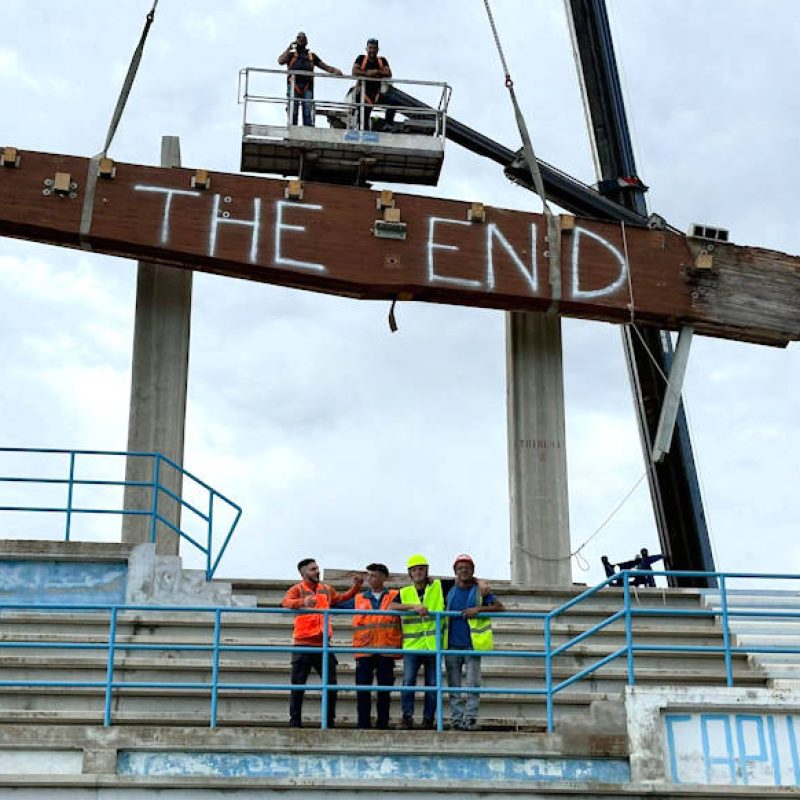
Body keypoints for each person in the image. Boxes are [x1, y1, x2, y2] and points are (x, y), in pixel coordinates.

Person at [390, 554, 490, 729]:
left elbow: (463, 577)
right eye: (414, 570)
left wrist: (480, 581)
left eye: (421, 569)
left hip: (434, 646)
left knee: (433, 685)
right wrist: (413, 607)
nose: (418, 572)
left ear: (427, 571)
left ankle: (428, 720)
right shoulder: (404, 592)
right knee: (408, 683)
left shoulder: (439, 585)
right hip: (413, 647)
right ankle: (407, 717)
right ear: (410, 574)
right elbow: (392, 606)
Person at [281, 558, 362, 728]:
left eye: (317, 568)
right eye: (312, 569)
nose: (317, 571)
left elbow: (341, 598)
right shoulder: (297, 589)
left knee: (331, 685)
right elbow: (286, 602)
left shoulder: (326, 589)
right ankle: (295, 722)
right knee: (298, 686)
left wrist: (356, 587)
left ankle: (328, 722)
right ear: (303, 573)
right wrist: (303, 602)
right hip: (303, 644)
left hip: (323, 644)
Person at [444, 554, 505, 731]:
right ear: (455, 571)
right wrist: (481, 580)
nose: (464, 570)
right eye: (460, 568)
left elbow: (500, 607)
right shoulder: (447, 588)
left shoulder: (480, 591)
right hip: (451, 645)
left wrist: (478, 609)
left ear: (473, 571)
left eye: (467, 568)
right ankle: (456, 720)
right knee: (453, 686)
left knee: (473, 685)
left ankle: (470, 719)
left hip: (472, 645)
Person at [337, 563, 401, 729]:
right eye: (369, 575)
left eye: (374, 575)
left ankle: (382, 724)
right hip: (364, 651)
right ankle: (363, 724)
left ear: (384, 577)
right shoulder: (359, 598)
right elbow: (336, 604)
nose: (370, 578)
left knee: (384, 692)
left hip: (386, 651)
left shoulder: (395, 596)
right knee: (363, 691)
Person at [278, 31, 343, 127]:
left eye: (303, 38)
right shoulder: (291, 54)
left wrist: (335, 71)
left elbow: (324, 66)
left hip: (307, 87)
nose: (301, 40)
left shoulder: (311, 56)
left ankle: (307, 130)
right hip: (293, 86)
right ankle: (291, 131)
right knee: (293, 110)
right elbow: (280, 61)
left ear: (306, 41)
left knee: (307, 110)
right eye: (298, 38)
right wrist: (289, 47)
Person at [351, 37, 395, 131]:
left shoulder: (382, 60)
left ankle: (388, 125)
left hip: (376, 94)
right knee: (364, 117)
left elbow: (388, 73)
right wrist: (368, 73)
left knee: (392, 102)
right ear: (366, 49)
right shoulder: (361, 58)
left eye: (374, 48)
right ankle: (362, 131)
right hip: (363, 94)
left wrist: (376, 72)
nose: (372, 50)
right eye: (370, 48)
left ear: (378, 50)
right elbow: (354, 71)